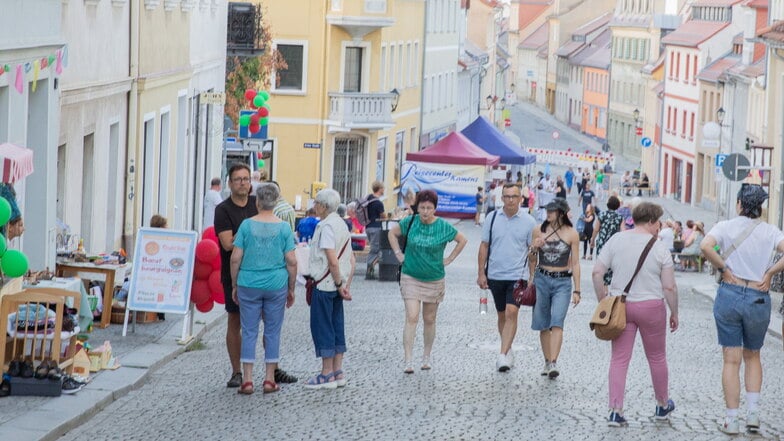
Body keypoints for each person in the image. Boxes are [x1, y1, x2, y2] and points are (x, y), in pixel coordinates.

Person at [700, 184, 784, 435]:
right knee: (753, 355)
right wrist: (770, 272)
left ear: (739, 203)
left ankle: (732, 419)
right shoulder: (770, 231)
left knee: (731, 359)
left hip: (730, 292)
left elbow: (705, 246)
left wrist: (724, 269)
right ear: (760, 207)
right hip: (758, 294)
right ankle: (754, 415)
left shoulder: (725, 227)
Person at [592, 202, 679, 427]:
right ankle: (661, 405)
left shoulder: (617, 240)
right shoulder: (659, 248)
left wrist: (603, 299)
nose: (659, 226)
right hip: (651, 307)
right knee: (657, 357)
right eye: (658, 221)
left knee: (619, 359)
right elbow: (669, 287)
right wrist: (674, 312)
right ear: (650, 221)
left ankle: (615, 410)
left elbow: (597, 272)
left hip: (621, 306)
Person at [215, 163, 297, 388]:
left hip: (247, 279)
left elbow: (237, 249)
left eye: (246, 179)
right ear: (229, 183)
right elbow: (227, 245)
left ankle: (263, 375)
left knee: (258, 328)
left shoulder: (254, 209)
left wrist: (249, 238)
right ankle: (240, 373)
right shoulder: (223, 210)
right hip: (246, 277)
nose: (243, 182)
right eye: (238, 179)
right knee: (240, 322)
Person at [388, 190, 468, 374]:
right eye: (422, 208)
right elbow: (392, 234)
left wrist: (449, 259)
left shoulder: (442, 226)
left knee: (429, 319)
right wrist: (399, 254)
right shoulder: (410, 222)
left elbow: (462, 240)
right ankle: (408, 359)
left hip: (434, 277)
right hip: (410, 275)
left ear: (435, 208)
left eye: (429, 208)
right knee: (412, 316)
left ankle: (426, 356)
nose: (425, 212)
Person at [477, 183, 537, 372]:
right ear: (501, 198)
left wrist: (532, 276)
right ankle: (508, 348)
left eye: (514, 196)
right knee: (502, 314)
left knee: (512, 312)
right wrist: (480, 273)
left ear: (521, 198)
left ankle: (502, 355)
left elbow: (532, 251)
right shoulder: (492, 218)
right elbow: (484, 246)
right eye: (507, 196)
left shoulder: (529, 222)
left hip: (517, 275)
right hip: (495, 274)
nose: (511, 200)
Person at [304, 189, 357, 390]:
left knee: (323, 326)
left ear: (324, 206)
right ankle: (338, 371)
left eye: (317, 202)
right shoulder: (342, 224)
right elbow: (350, 260)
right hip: (338, 283)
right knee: (336, 325)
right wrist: (345, 285)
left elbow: (332, 260)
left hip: (326, 284)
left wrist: (336, 283)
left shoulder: (326, 227)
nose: (314, 205)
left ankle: (326, 373)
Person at [529, 197, 581, 379]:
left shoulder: (572, 234)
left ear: (561, 213)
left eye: (551, 211)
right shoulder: (538, 230)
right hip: (542, 279)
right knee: (543, 324)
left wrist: (577, 290)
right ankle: (546, 360)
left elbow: (575, 262)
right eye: (547, 210)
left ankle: (553, 362)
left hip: (562, 282)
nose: (547, 213)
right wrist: (534, 247)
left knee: (557, 322)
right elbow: (531, 257)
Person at [592, 196, 625, 289]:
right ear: (618, 206)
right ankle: (609, 286)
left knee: (602, 264)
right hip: (614, 244)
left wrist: (592, 240)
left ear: (608, 205)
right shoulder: (620, 217)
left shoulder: (601, 215)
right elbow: (623, 231)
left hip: (602, 243)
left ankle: (604, 287)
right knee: (612, 265)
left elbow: (596, 229)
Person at [364, 181, 386, 279]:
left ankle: (370, 271)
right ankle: (369, 272)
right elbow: (383, 216)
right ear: (380, 189)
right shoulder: (378, 202)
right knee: (376, 250)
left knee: (373, 249)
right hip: (376, 227)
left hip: (368, 227)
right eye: (383, 188)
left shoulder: (368, 199)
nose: (384, 190)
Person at [150, 214, 169, 320]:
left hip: (157, 270)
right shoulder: (162, 239)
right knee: (160, 290)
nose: (167, 227)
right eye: (166, 225)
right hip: (158, 270)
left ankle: (159, 313)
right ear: (161, 227)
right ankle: (159, 314)